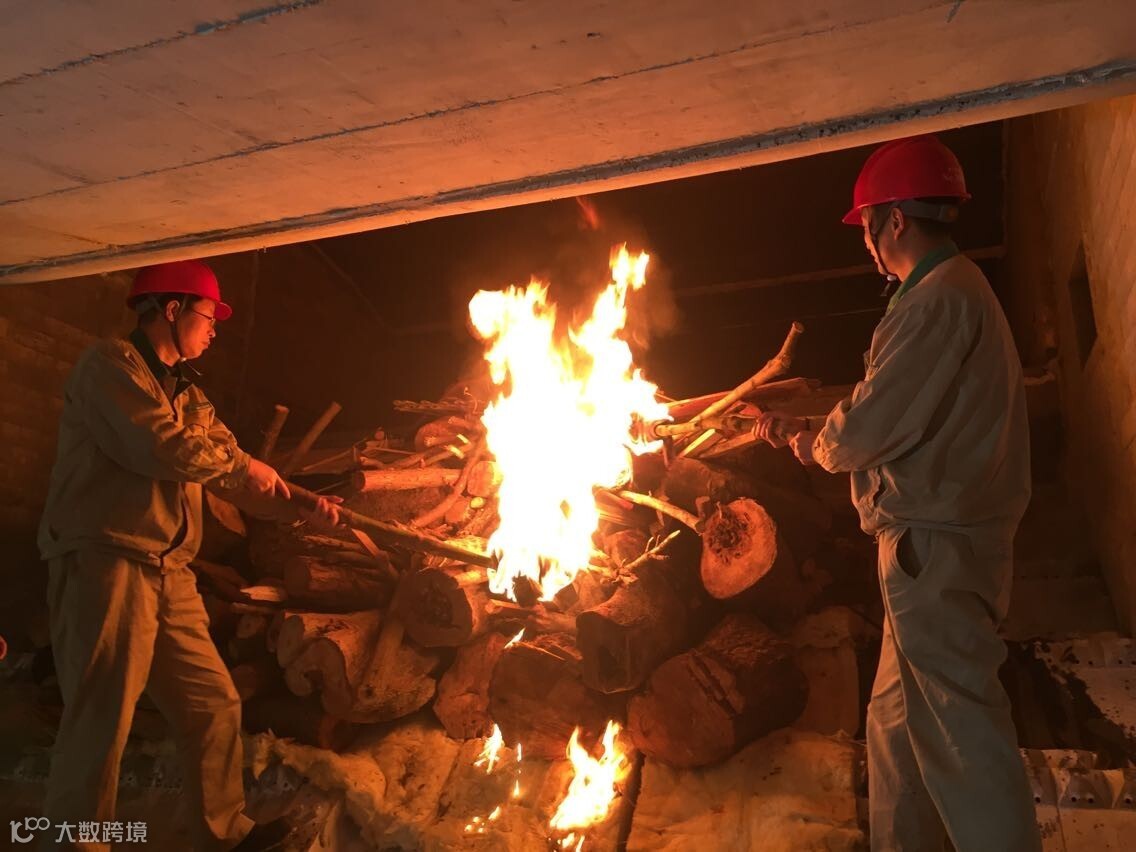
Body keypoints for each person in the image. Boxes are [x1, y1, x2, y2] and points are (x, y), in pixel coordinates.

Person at [755, 135, 1041, 852]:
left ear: (894, 220)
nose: (867, 244)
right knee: (896, 727)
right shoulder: (953, 294)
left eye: (867, 226)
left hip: (935, 547)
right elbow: (900, 413)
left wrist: (816, 443)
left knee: (962, 733)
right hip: (933, 544)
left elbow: (870, 425)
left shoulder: (936, 301)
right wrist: (813, 428)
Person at [37, 259, 339, 851]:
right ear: (170, 310)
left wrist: (301, 508)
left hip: (168, 572)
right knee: (100, 722)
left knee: (213, 705)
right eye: (208, 315)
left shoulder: (189, 396)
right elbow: (159, 445)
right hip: (108, 563)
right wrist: (244, 466)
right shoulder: (110, 367)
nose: (215, 329)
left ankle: (222, 834)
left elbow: (233, 477)